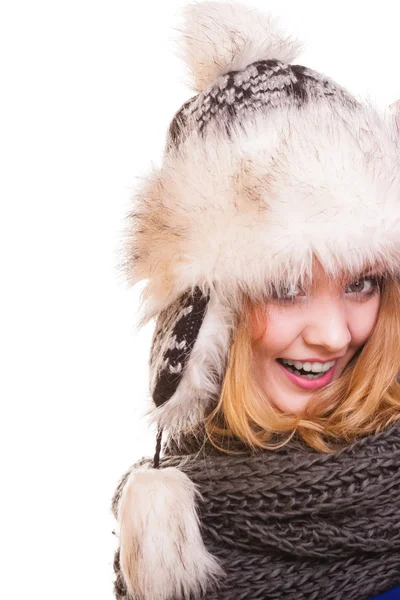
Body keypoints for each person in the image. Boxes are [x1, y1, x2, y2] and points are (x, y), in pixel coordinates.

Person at [110, 2, 400, 598]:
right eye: (286, 287)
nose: (335, 335)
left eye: (361, 283)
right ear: (206, 319)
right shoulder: (173, 543)